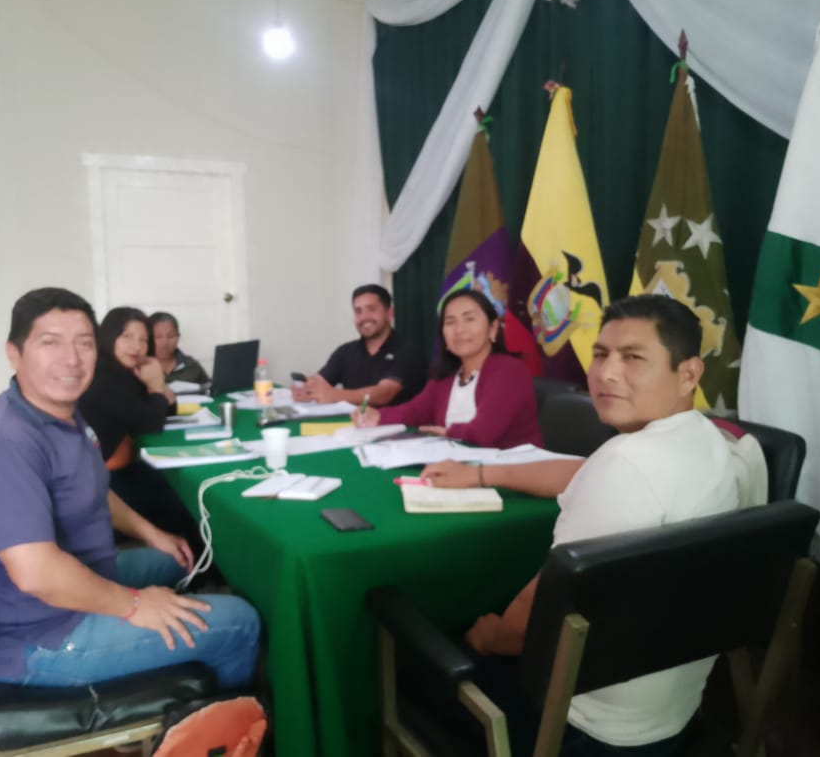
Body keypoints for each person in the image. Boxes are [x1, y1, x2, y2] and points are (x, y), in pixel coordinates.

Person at [421, 295, 747, 754]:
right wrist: (480, 474)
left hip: (576, 730)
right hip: (669, 715)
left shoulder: (626, 465)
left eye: (633, 357)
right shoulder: (706, 440)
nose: (606, 373)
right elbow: (586, 470)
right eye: (600, 354)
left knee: (418, 654)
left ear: (689, 373)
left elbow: (527, 624)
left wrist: (484, 636)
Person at [0, 287, 259, 688]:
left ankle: (184, 673)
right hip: (39, 637)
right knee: (241, 622)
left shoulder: (64, 415)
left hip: (78, 580)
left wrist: (153, 534)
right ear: (14, 353)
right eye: (50, 343)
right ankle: (225, 718)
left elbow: (91, 488)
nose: (71, 359)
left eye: (84, 343)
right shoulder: (2, 442)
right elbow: (38, 574)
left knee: (186, 557)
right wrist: (134, 605)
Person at [354, 288, 541, 449]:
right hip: (459, 463)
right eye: (450, 322)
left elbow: (483, 433)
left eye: (469, 319)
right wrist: (378, 416)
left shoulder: (509, 370)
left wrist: (448, 433)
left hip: (513, 470)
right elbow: (415, 411)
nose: (459, 330)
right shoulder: (446, 376)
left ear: (492, 329)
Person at [77, 307, 203, 543]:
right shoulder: (102, 375)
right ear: (109, 337)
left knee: (186, 488)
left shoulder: (124, 372)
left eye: (143, 340)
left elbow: (167, 410)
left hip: (121, 469)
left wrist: (158, 382)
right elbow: (151, 423)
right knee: (191, 505)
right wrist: (155, 385)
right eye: (127, 337)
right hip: (103, 484)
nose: (136, 347)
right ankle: (198, 564)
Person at [293, 283, 425, 407]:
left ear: (389, 313)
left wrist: (334, 395)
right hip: (351, 422)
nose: (364, 317)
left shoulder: (408, 351)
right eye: (358, 311)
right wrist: (306, 390)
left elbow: (384, 393)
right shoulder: (345, 351)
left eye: (371, 309)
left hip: (394, 423)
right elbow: (320, 382)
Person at [150, 311, 210, 386]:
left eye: (170, 336)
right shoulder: (140, 367)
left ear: (178, 337)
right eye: (158, 337)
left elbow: (209, 389)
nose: (165, 343)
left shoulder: (191, 365)